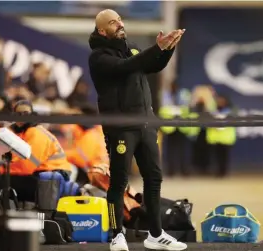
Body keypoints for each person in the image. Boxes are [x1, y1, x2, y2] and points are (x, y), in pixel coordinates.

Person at [88, 9, 187, 251]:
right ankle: (116, 235)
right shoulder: (99, 57)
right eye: (113, 22)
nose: (119, 24)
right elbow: (127, 66)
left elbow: (151, 66)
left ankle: (155, 234)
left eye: (120, 20)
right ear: (102, 30)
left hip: (146, 124)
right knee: (118, 182)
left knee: (154, 179)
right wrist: (157, 48)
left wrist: (167, 48)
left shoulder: (130, 46)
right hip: (121, 128)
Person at [0, 100, 73, 204]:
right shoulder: (23, 132)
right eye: (18, 114)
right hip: (43, 176)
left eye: (25, 114)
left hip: (50, 179)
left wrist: (2, 170)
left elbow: (27, 166)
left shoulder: (36, 133)